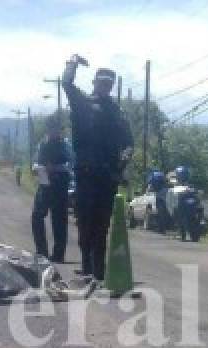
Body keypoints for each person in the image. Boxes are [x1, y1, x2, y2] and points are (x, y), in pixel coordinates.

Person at [62, 55, 133, 280]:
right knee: (85, 221)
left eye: (108, 83)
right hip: (85, 173)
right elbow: (66, 83)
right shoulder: (82, 103)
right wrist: (72, 63)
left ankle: (99, 270)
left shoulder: (117, 113)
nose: (105, 86)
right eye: (102, 82)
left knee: (102, 224)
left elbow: (129, 144)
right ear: (95, 82)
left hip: (107, 176)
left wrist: (121, 165)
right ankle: (87, 265)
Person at [31, 114, 72, 262]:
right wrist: (37, 168)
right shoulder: (42, 144)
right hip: (44, 183)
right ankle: (42, 251)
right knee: (36, 216)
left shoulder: (65, 145)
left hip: (60, 183)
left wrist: (54, 167)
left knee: (59, 219)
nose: (53, 131)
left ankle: (58, 254)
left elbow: (70, 165)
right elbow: (35, 161)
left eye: (55, 128)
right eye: (50, 128)